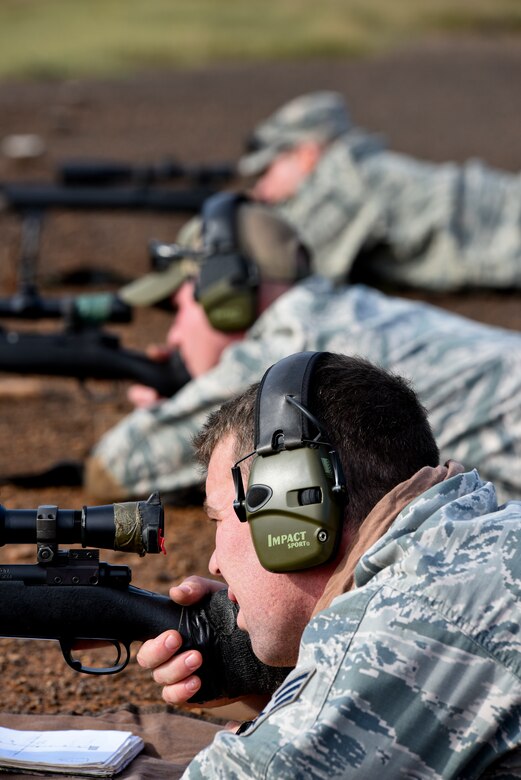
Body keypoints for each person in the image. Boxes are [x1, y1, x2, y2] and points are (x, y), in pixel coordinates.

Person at [136, 350, 521, 777]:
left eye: (218, 518)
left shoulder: (410, 612)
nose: (214, 563)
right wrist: (269, 671)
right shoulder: (480, 540)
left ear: (293, 509)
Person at [85, 194, 521, 505]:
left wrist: (169, 409)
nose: (175, 335)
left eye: (179, 309)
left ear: (225, 295)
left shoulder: (291, 347)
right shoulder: (351, 307)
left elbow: (117, 467)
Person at [238, 90, 521, 290]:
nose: (261, 184)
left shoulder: (348, 180)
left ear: (307, 155)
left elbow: (293, 267)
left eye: (268, 170)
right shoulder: (363, 166)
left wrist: (251, 215)